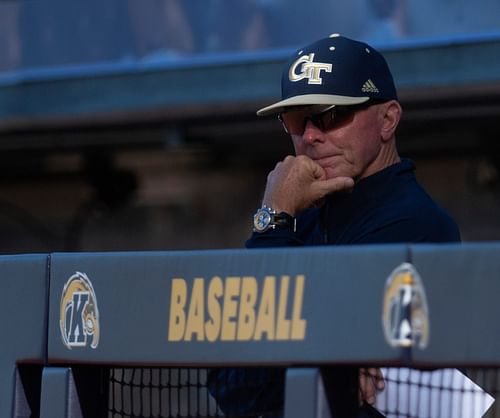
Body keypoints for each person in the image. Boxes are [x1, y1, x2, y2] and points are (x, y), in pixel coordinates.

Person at [208, 33, 461, 418]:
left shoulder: (416, 223)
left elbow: (277, 377)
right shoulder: (294, 218)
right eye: (296, 119)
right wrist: (273, 217)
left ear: (388, 119)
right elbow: (233, 387)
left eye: (331, 114)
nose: (310, 135)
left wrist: (276, 224)